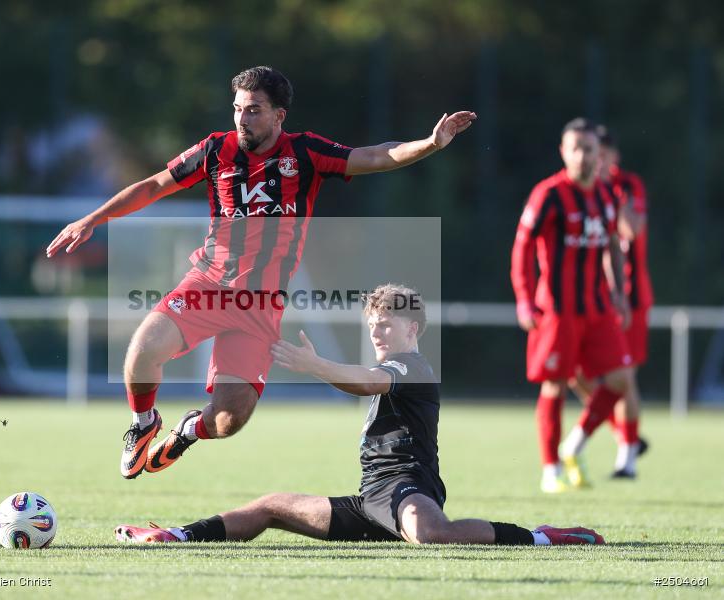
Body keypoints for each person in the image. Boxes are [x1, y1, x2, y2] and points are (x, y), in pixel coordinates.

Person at [46, 66, 477, 480]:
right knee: (142, 353)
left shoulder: (305, 152)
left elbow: (375, 156)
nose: (242, 118)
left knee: (229, 421)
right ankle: (143, 425)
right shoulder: (216, 149)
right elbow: (155, 185)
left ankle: (186, 431)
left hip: (260, 304)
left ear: (278, 115)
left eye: (253, 109)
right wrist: (93, 219)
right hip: (208, 283)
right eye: (237, 108)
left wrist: (430, 143)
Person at [113, 284, 604, 547]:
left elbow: (366, 382)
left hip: (409, 488)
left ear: (413, 328)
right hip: (372, 499)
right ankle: (176, 534)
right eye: (372, 325)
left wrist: (315, 365)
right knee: (270, 506)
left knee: (432, 535)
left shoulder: (413, 366)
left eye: (386, 324)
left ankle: (545, 536)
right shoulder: (392, 359)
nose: (378, 332)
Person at [510, 118, 639, 493]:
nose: (583, 156)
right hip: (558, 312)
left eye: (590, 150)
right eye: (576, 148)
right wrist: (523, 299)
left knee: (620, 379)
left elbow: (614, 244)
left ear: (600, 157)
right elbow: (522, 249)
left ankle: (575, 443)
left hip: (598, 309)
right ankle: (550, 469)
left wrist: (619, 293)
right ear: (563, 152)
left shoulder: (606, 196)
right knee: (554, 387)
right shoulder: (548, 194)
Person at [567, 126, 651, 478]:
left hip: (627, 298)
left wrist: (613, 198)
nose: (592, 160)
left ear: (612, 157)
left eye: (598, 154)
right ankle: (620, 431)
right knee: (573, 374)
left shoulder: (624, 186)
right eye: (587, 152)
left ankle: (626, 458)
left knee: (624, 377)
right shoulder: (579, 191)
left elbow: (631, 230)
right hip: (587, 300)